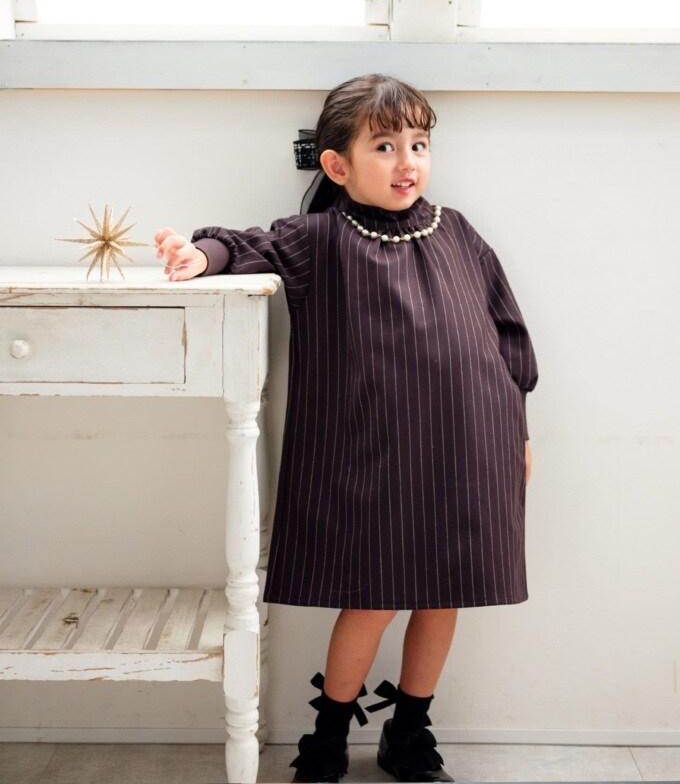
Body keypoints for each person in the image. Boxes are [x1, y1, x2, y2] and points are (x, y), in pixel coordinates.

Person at [154, 73, 539, 783]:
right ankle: (327, 737)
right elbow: (244, 246)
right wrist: (198, 257)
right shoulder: (318, 240)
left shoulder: (459, 232)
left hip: (471, 444)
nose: (407, 162)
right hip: (375, 455)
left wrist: (516, 434)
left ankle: (409, 733)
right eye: (385, 146)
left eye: (418, 144)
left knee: (446, 592)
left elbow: (507, 335)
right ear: (337, 165)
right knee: (373, 597)